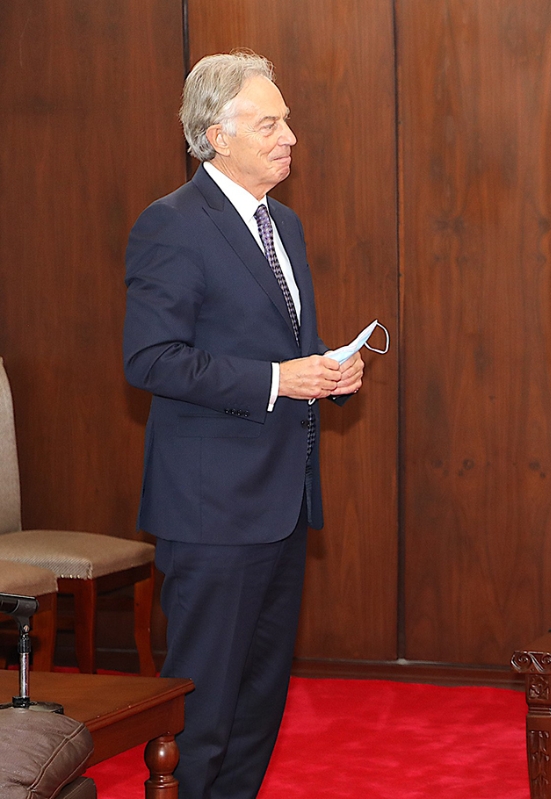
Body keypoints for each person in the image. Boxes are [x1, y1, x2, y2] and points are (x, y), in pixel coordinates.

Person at [123, 52, 364, 799]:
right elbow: (152, 359)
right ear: (216, 134)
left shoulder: (282, 224)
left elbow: (283, 350)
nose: (290, 135)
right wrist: (276, 381)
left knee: (259, 704)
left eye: (286, 119)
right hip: (212, 511)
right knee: (205, 709)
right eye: (270, 123)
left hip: (283, 503)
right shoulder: (169, 225)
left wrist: (328, 373)